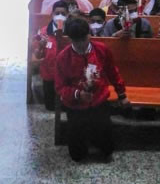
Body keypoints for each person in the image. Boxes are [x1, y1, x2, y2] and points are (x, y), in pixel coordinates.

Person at [55, 17, 129, 162]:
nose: (81, 44)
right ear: (70, 39)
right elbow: (60, 87)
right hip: (75, 105)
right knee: (77, 155)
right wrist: (78, 94)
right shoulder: (63, 58)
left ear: (89, 35)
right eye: (76, 41)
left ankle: (100, 142)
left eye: (84, 39)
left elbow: (113, 72)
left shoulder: (101, 50)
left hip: (99, 99)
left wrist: (122, 94)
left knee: (106, 147)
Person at [30, 1, 71, 111]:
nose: (60, 16)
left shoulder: (71, 31)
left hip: (67, 75)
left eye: (63, 14)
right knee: (50, 106)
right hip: (49, 74)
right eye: (57, 13)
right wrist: (40, 46)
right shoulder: (43, 32)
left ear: (68, 15)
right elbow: (37, 55)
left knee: (66, 106)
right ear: (52, 14)